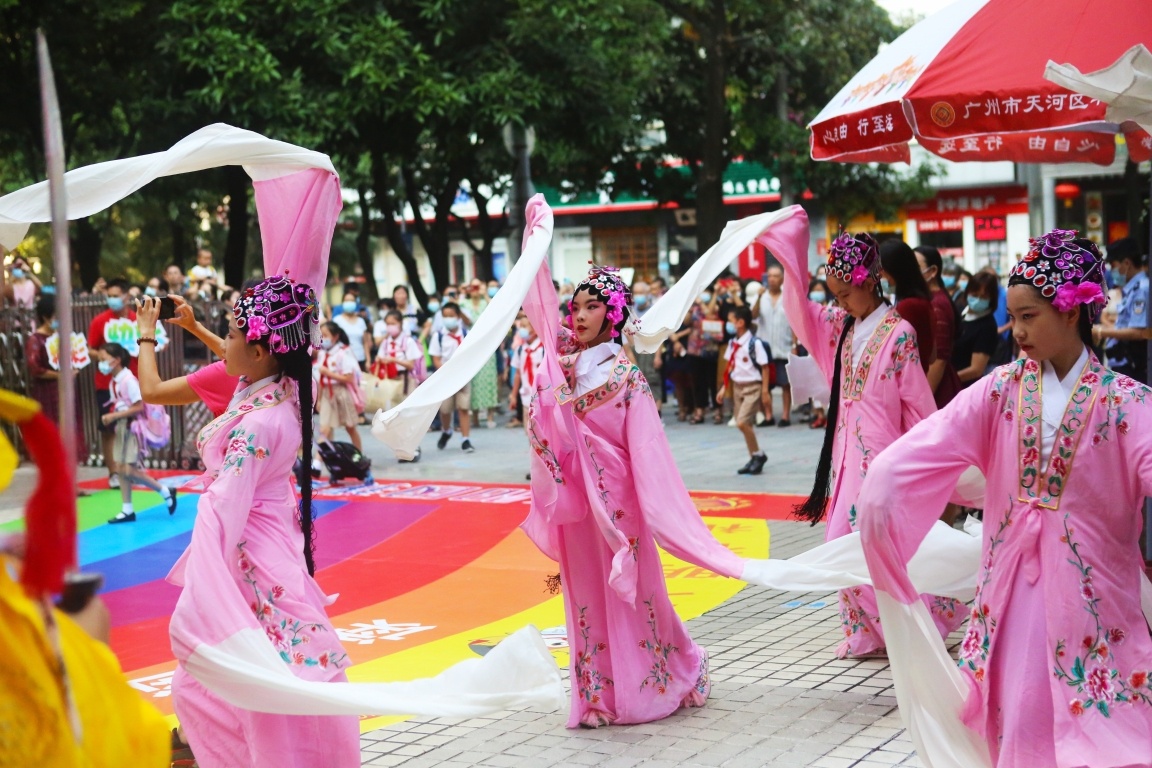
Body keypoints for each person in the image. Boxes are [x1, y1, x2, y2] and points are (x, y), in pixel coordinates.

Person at [858, 230, 1152, 768]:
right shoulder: (999, 390)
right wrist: (880, 485)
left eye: (1029, 316)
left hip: (1091, 588)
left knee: (1106, 717)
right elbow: (930, 442)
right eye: (1012, 317)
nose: (1015, 330)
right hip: (1015, 582)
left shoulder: (1126, 402)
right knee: (1020, 706)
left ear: (1071, 312)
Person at [521, 263, 747, 728]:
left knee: (634, 595)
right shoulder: (561, 369)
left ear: (613, 313)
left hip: (620, 505)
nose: (580, 315)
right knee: (586, 596)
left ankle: (661, 677)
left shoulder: (627, 379)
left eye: (592, 306)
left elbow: (647, 451)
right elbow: (546, 423)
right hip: (581, 505)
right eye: (575, 307)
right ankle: (598, 697)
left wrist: (655, 511)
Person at [160, 275, 361, 767]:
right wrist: (205, 330)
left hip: (248, 557)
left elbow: (223, 506)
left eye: (229, 334)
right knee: (266, 673)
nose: (222, 343)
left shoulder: (256, 421)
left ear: (261, 351)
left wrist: (204, 582)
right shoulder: (289, 391)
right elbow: (248, 355)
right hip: (270, 547)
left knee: (239, 676)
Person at [776, 231, 962, 658]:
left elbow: (917, 403)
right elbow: (800, 312)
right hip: (847, 457)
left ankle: (924, 619)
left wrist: (931, 459)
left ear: (869, 282)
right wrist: (788, 255)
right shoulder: (843, 327)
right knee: (842, 542)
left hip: (883, 458)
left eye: (845, 293)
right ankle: (868, 632)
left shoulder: (899, 334)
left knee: (876, 545)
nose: (840, 302)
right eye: (835, 294)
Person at [98, 342, 176, 523]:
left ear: (116, 360)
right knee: (121, 469)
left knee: (128, 469)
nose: (100, 363)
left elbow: (138, 406)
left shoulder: (128, 381)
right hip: (122, 427)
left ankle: (164, 490)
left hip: (132, 429)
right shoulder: (115, 382)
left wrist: (114, 416)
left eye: (103, 359)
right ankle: (127, 509)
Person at [88, 279, 138, 485]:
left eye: (117, 295)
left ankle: (130, 469)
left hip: (132, 382)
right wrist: (101, 354)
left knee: (132, 428)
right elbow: (90, 348)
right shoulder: (100, 321)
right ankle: (113, 472)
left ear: (127, 296)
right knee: (108, 427)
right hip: (106, 384)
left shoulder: (137, 319)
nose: (112, 299)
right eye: (110, 295)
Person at [716, 306, 769, 475]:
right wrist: (724, 387)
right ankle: (755, 456)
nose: (729, 324)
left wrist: (765, 391)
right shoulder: (733, 343)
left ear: (740, 322)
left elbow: (765, 367)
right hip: (738, 387)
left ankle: (758, 455)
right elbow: (730, 365)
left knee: (742, 422)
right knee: (743, 424)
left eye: (731, 321)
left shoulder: (755, 343)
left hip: (752, 386)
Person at [1094, 237, 1149, 383]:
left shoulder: (1142, 289)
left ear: (1126, 263)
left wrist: (1100, 331)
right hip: (1122, 364)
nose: (1112, 271)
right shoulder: (1131, 289)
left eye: (1114, 265)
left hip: (1134, 367)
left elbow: (1140, 332)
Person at [914, 245, 963, 408]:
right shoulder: (932, 299)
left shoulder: (936, 304)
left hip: (938, 394)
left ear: (932, 271)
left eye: (916, 266)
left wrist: (922, 404)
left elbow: (939, 360)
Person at [879, 239, 936, 372]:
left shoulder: (909, 306)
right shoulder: (918, 301)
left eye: (880, 271)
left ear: (894, 270)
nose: (878, 277)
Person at [753, 264, 795, 426]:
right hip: (764, 348)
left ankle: (785, 416)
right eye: (769, 276)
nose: (772, 279)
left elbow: (794, 322)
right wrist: (757, 298)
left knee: (785, 384)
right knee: (766, 385)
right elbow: (753, 316)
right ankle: (768, 416)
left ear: (782, 278)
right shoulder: (761, 297)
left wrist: (794, 344)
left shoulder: (788, 297)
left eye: (775, 276)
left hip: (784, 347)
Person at [430, 302, 473, 452]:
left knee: (463, 408)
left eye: (451, 316)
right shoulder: (439, 336)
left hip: (463, 377)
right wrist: (446, 374)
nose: (448, 319)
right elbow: (436, 357)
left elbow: (471, 355)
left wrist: (464, 373)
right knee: (445, 409)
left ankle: (465, 439)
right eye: (445, 316)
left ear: (458, 316)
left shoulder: (466, 334)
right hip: (446, 378)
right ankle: (446, 430)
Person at [315, 322, 363, 452]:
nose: (322, 338)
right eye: (321, 335)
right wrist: (319, 399)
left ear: (335, 336)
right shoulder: (322, 354)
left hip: (341, 391)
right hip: (326, 392)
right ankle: (319, 462)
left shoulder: (343, 353)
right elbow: (321, 379)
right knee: (325, 428)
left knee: (350, 427)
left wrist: (329, 373)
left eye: (325, 335)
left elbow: (349, 377)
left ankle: (359, 455)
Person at [953, 271, 1002, 386]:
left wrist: (949, 381)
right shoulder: (960, 312)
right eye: (974, 295)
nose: (978, 300)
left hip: (965, 387)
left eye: (984, 297)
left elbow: (976, 370)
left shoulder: (987, 326)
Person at [371, 310, 422, 412]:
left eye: (393, 323)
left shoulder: (408, 341)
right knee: (391, 410)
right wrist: (380, 360)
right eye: (388, 324)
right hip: (389, 379)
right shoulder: (385, 342)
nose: (390, 326)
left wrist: (394, 360)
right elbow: (379, 356)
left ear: (401, 324)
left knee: (406, 410)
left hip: (405, 378)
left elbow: (411, 365)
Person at [331, 292, 370, 370]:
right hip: (343, 360)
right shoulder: (337, 320)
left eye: (352, 300)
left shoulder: (361, 321)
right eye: (347, 300)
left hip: (360, 359)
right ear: (343, 303)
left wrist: (368, 360)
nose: (349, 302)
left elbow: (365, 342)